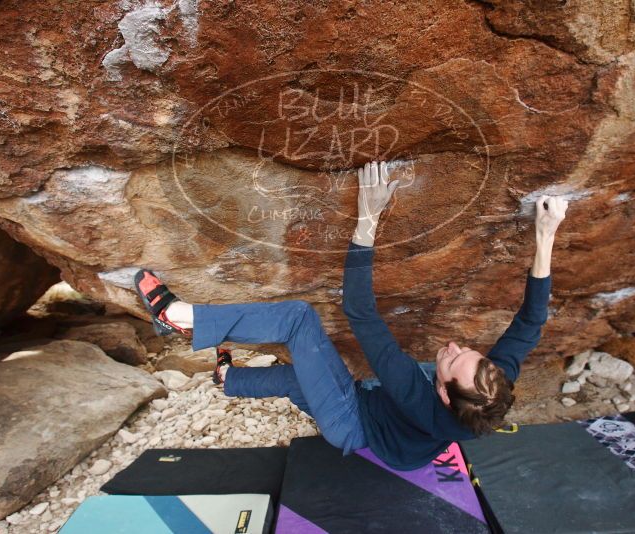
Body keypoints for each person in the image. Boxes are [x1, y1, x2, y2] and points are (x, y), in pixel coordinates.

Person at [134, 160, 568, 470]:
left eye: (453, 360)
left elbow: (361, 312)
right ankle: (229, 380)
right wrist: (546, 235)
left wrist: (367, 218)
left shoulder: (415, 396)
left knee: (298, 319)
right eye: (470, 352)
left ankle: (179, 318)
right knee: (295, 378)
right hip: (403, 444)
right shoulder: (492, 386)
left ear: (442, 394)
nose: (455, 347)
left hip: (352, 421)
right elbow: (530, 322)